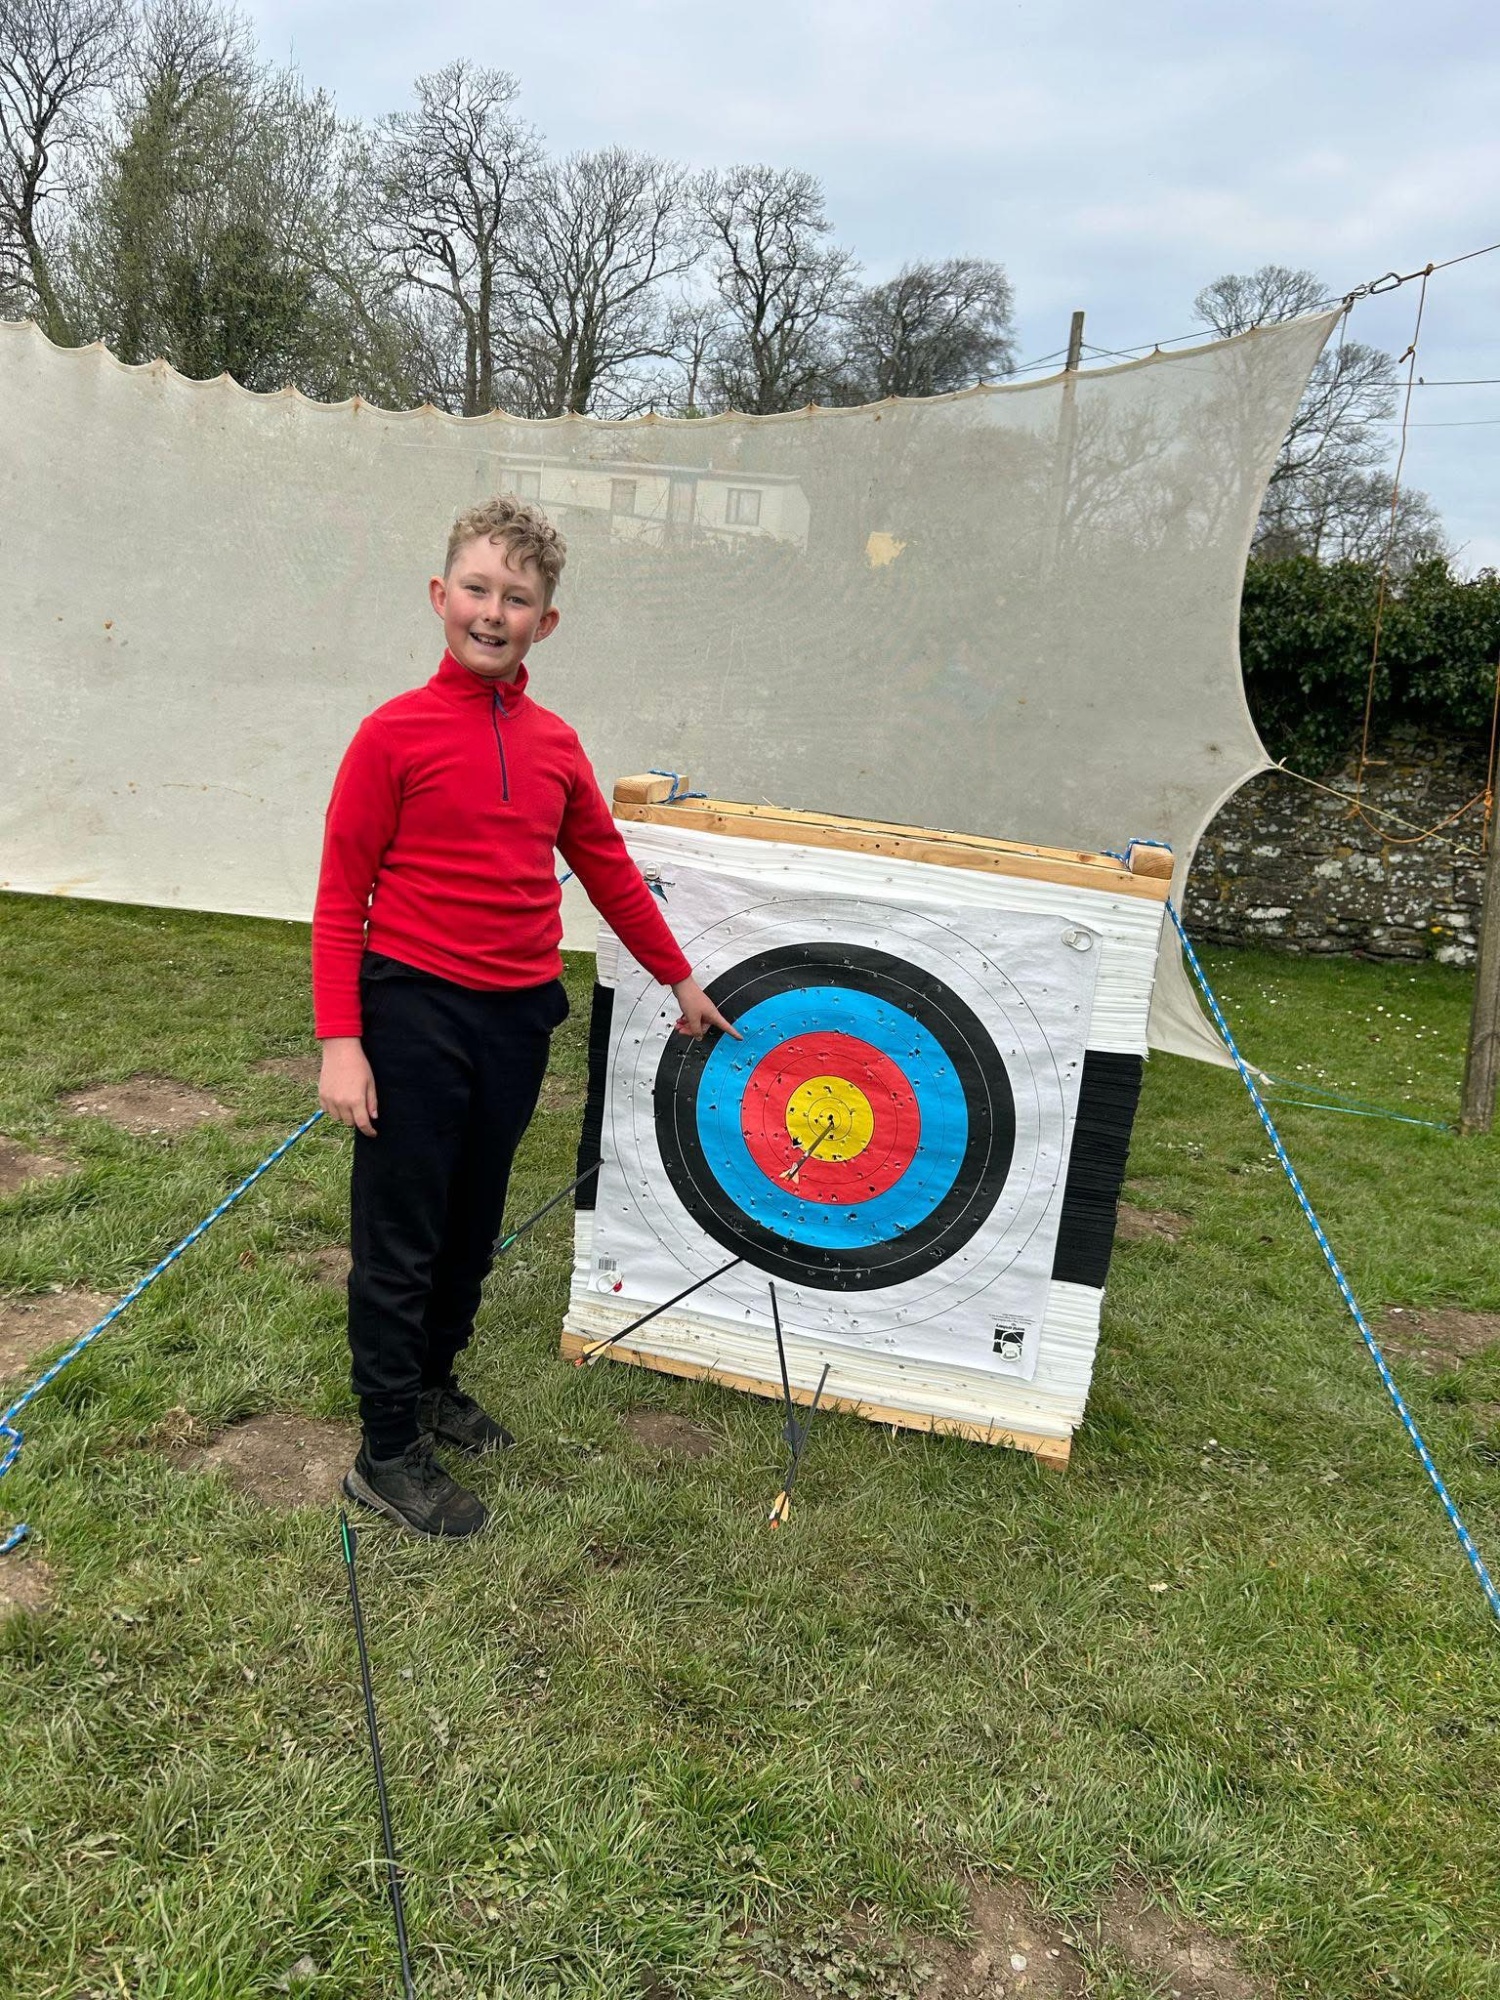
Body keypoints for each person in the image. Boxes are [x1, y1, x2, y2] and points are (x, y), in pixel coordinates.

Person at [312, 495, 735, 1539]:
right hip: (410, 1013)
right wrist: (341, 1041)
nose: (493, 611)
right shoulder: (390, 734)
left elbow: (606, 868)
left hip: (512, 1021)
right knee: (403, 1235)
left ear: (546, 622)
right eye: (477, 588)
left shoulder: (554, 745)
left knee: (471, 1223)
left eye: (519, 597)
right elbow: (338, 894)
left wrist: (678, 976)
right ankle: (385, 1448)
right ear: (439, 597)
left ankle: (434, 1383)